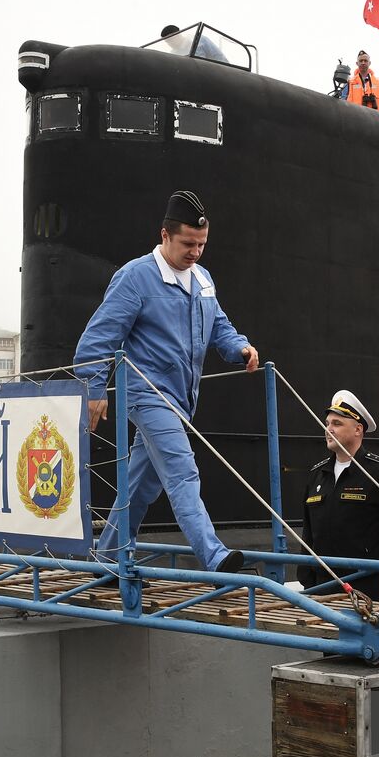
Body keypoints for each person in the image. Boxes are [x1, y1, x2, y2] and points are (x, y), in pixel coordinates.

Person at [73, 190, 257, 573]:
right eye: (188, 244)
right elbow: (97, 339)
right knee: (181, 470)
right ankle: (215, 557)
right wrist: (94, 390)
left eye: (202, 244)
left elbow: (218, 326)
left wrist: (239, 348)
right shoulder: (135, 278)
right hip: (147, 394)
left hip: (183, 399)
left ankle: (107, 558)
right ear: (165, 235)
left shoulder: (202, 279)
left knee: (141, 487)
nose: (196, 253)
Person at [299, 389, 379, 599]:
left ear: (358, 429)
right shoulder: (317, 475)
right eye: (327, 423)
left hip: (366, 586)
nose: (329, 429)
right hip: (322, 586)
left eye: (337, 424)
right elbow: (308, 533)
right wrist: (307, 579)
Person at [160, 23, 227, 63]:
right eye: (167, 42)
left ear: (178, 35)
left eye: (170, 40)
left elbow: (219, 57)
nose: (169, 43)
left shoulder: (200, 40)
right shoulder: (173, 54)